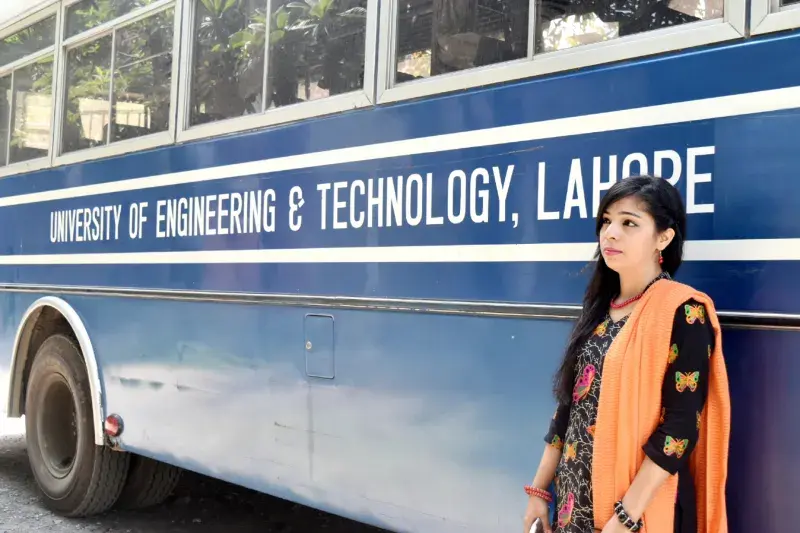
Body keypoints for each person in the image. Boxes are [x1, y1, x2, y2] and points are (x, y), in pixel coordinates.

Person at [522, 176, 731, 533]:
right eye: (606, 221)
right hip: (573, 503)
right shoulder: (602, 309)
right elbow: (569, 406)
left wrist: (625, 517)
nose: (610, 233)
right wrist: (539, 489)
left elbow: (679, 431)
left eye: (629, 222)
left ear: (664, 237)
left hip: (630, 511)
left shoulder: (683, 311)